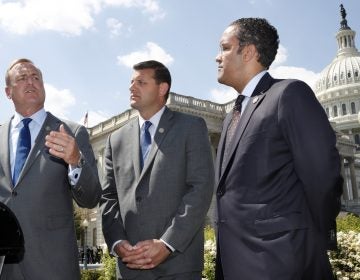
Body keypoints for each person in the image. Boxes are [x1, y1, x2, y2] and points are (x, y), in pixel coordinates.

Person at [214, 18, 343, 280]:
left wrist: (305, 235)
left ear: (248, 52)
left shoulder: (289, 94)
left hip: (283, 261)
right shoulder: (231, 116)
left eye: (225, 48)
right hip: (234, 264)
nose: (217, 57)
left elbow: (323, 178)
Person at [100, 60, 214, 280]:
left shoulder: (190, 127)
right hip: (130, 265)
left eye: (141, 82)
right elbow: (109, 197)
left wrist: (168, 243)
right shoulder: (116, 139)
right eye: (131, 83)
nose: (132, 88)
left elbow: (200, 189)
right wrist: (117, 242)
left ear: (163, 89)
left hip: (177, 265)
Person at [0, 58, 101, 280]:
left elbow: (92, 197)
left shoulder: (71, 132)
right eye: (22, 78)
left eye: (36, 77)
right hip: (4, 265)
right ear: (8, 92)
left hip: (52, 266)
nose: (31, 82)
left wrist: (76, 161)